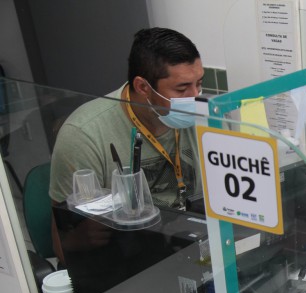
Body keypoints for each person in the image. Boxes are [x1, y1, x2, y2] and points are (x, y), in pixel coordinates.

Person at [48, 27, 204, 261]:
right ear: (143, 87)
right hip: (128, 263)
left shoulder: (201, 118)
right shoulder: (83, 135)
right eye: (182, 89)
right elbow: (64, 246)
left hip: (189, 248)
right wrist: (80, 239)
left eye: (199, 84)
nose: (195, 97)